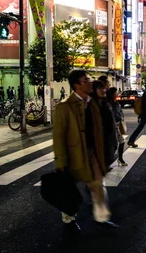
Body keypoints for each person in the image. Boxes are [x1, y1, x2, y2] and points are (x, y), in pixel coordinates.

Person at [53, 70, 117, 231]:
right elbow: (58, 137)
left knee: (98, 184)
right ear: (76, 85)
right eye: (86, 80)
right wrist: (60, 162)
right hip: (73, 154)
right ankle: (68, 219)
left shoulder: (92, 103)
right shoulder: (64, 107)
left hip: (91, 151)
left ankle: (101, 218)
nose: (90, 82)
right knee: (69, 188)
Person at [90, 80, 118, 168]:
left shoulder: (106, 104)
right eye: (99, 88)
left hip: (109, 139)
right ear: (94, 90)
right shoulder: (91, 106)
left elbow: (111, 122)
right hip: (98, 141)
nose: (103, 90)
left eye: (103, 87)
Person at [107, 87, 127, 166]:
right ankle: (110, 160)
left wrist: (121, 117)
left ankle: (120, 159)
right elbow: (113, 114)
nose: (117, 94)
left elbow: (120, 112)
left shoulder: (116, 102)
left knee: (121, 142)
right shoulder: (110, 104)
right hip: (113, 125)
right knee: (114, 144)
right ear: (112, 94)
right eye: (115, 93)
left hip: (118, 124)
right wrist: (119, 117)